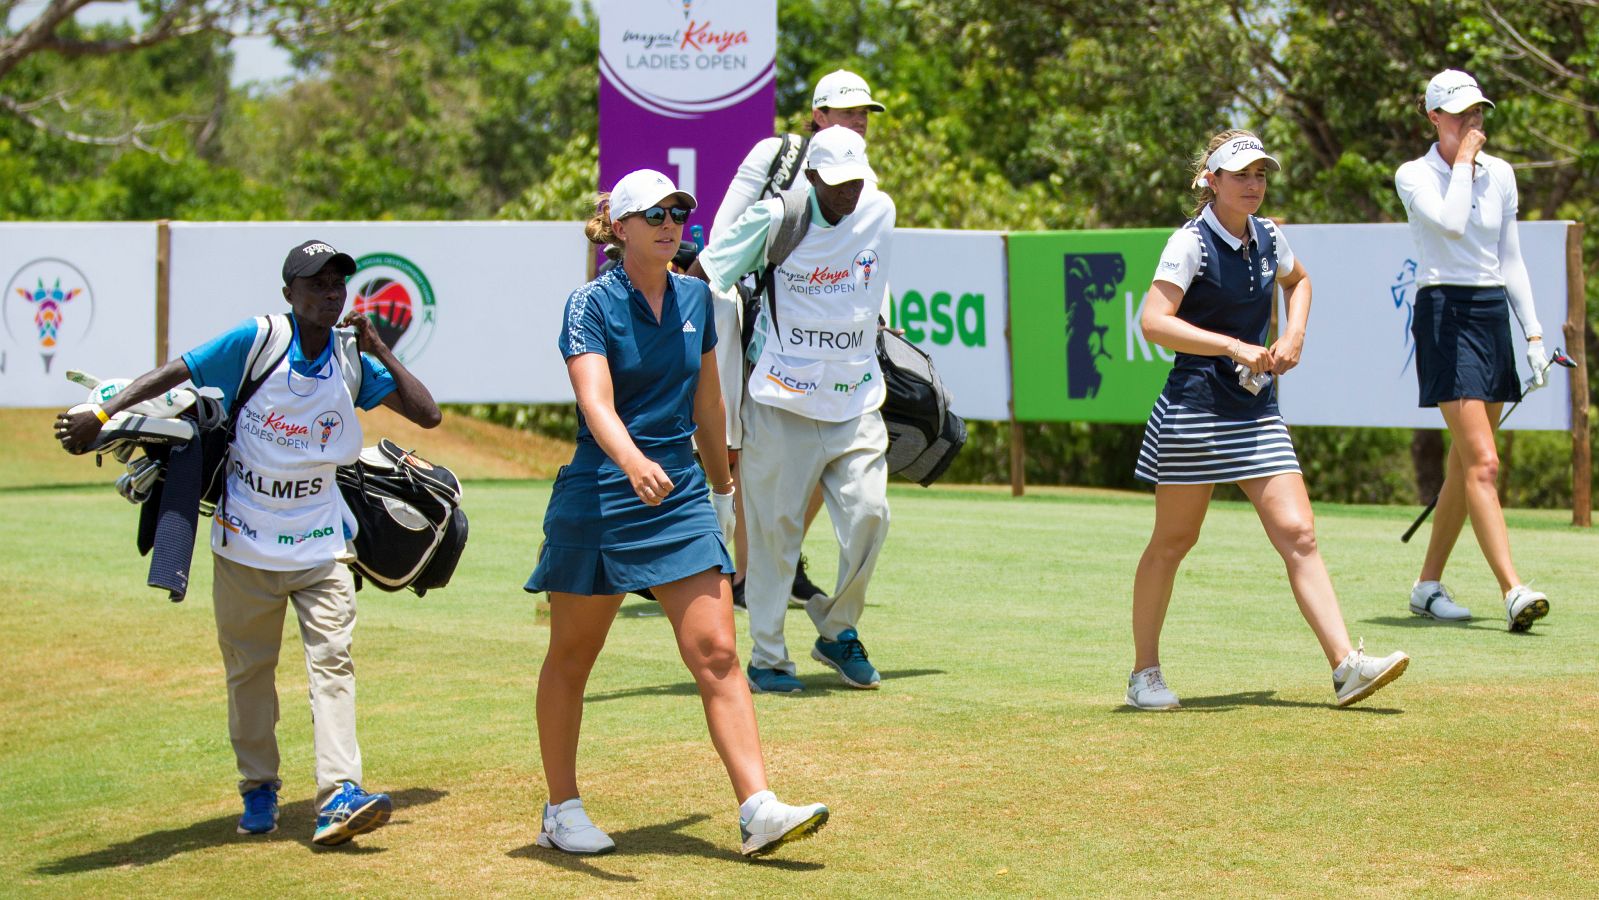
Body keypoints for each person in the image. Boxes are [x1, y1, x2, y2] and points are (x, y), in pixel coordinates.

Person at [53, 239, 441, 844]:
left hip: (322, 544)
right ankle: (258, 787)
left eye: (338, 282)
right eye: (316, 284)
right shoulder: (258, 339)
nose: (330, 293)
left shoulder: (351, 358)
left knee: (333, 663)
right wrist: (101, 418)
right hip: (245, 545)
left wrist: (379, 348)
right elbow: (177, 372)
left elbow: (428, 415)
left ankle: (340, 792)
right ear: (289, 293)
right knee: (250, 675)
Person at [526, 169, 828, 857]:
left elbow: (710, 404)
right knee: (573, 655)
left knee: (718, 653)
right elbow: (594, 401)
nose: (671, 223)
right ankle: (561, 809)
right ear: (622, 227)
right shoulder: (589, 304)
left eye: (679, 212)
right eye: (656, 214)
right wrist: (632, 461)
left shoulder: (696, 296)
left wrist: (722, 492)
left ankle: (757, 809)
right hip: (602, 493)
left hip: (680, 495)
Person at [1127, 131, 1410, 710]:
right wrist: (1233, 346)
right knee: (1174, 540)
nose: (1254, 185)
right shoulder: (1190, 243)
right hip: (1195, 407)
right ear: (1213, 181)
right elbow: (1153, 321)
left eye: (1261, 175)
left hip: (1254, 408)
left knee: (1299, 534)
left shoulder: (1270, 235)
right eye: (1241, 176)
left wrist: (1294, 333)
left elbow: (1299, 281)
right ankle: (1144, 676)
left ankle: (1346, 668)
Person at [692, 126, 895, 694]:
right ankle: (769, 658)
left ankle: (836, 630)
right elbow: (709, 275)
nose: (846, 195)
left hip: (856, 398)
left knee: (870, 516)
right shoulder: (776, 218)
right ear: (811, 178)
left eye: (853, 183)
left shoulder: (881, 209)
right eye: (834, 186)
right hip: (781, 399)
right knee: (774, 534)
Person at [710, 69, 887, 611]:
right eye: (847, 111)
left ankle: (763, 569)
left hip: (830, 349)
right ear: (818, 116)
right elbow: (724, 235)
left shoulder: (867, 180)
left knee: (815, 459)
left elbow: (869, 265)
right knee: (739, 452)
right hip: (754, 323)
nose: (858, 121)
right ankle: (737, 570)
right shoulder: (775, 154)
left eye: (864, 113)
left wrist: (879, 319)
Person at [1394, 69, 1552, 631]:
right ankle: (1513, 589)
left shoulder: (1502, 174)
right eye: (1461, 114)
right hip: (1444, 315)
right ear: (1434, 117)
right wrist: (1462, 164)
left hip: (1489, 317)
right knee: (1484, 462)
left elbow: (1511, 259)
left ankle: (1427, 584)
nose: (1473, 123)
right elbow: (1454, 225)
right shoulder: (1415, 174)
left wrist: (1532, 334)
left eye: (1478, 112)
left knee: (1466, 462)